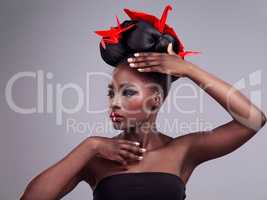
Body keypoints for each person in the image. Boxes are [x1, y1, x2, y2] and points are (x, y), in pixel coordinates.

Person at [20, 4, 266, 200]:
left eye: (127, 93)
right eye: (111, 92)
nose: (114, 103)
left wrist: (190, 70)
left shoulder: (183, 150)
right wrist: (89, 146)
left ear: (155, 100)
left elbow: (253, 120)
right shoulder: (95, 157)